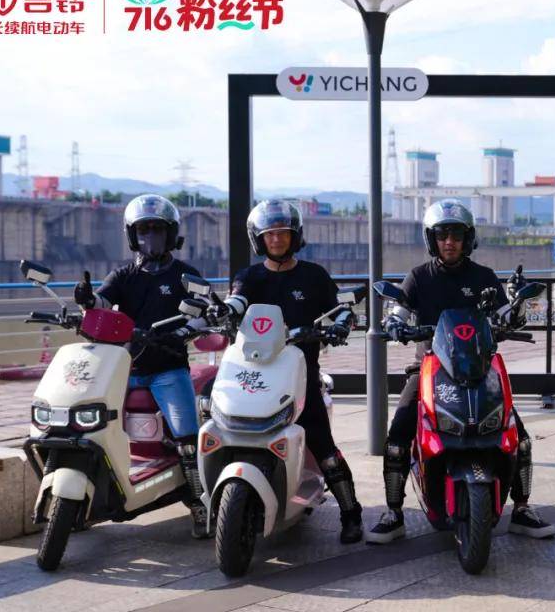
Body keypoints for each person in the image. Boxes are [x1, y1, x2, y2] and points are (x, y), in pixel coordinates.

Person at [365, 199, 555, 544]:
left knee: (519, 438)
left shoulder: (483, 277)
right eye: (442, 235)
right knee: (398, 435)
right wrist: (394, 324)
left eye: (456, 235)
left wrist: (516, 309)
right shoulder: (418, 277)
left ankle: (522, 508)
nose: (449, 242)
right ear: (432, 239)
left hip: (480, 367)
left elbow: (505, 315)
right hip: (429, 367)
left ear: (468, 239)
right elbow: (399, 311)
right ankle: (393, 512)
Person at [208, 199, 365, 543]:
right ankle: (204, 501)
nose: (276, 239)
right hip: (252, 373)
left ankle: (350, 512)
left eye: (283, 233)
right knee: (218, 424)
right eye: (269, 234)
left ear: (295, 236)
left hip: (300, 374)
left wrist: (342, 322)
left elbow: (339, 309)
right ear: (258, 239)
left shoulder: (314, 276)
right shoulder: (249, 277)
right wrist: (225, 310)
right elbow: (237, 300)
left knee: (323, 444)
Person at [73, 194, 209, 538]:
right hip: (125, 370)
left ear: (170, 234)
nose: (150, 237)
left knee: (187, 437)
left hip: (168, 368)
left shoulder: (186, 274)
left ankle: (199, 503)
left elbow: (204, 311)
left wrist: (184, 332)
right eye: (144, 230)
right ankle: (87, 497)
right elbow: (103, 300)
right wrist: (87, 299)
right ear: (133, 235)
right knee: (88, 427)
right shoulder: (124, 274)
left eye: (157, 230)